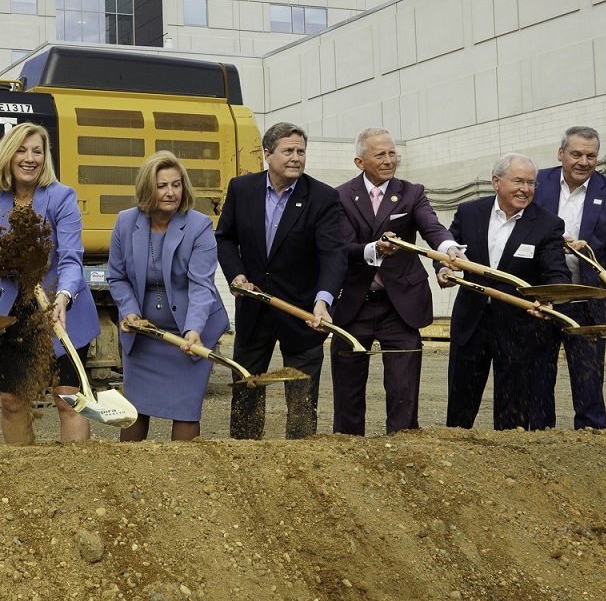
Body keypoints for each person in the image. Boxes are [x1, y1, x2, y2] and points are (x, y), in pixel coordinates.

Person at [215, 122, 345, 439]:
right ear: (267, 154)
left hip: (301, 313)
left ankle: (299, 464)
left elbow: (333, 254)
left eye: (301, 151)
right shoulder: (241, 189)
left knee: (301, 401)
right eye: (288, 151)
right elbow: (225, 239)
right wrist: (237, 275)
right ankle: (245, 460)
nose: (296, 157)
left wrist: (323, 301)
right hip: (254, 309)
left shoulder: (323, 197)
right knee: (246, 391)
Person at [0, 122, 99, 445]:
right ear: (8, 155)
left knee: (67, 398)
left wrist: (63, 297)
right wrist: (5, 260)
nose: (30, 158)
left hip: (59, 308)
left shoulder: (61, 197)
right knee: (12, 402)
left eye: (37, 151)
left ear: (46, 158)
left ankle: (75, 475)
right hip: (15, 313)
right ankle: (25, 477)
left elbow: (72, 257)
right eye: (21, 150)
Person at [330, 127, 456, 435]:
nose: (389, 160)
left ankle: (402, 449)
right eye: (380, 154)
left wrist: (448, 250)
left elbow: (432, 227)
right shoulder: (340, 196)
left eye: (392, 153)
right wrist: (375, 249)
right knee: (348, 392)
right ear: (360, 162)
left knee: (403, 391)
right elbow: (341, 246)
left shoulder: (412, 192)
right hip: (354, 306)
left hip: (400, 307)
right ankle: (347, 450)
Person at [441, 154, 571, 431]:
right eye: (518, 181)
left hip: (518, 329)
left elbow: (556, 271)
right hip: (471, 324)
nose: (525, 189)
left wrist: (549, 297)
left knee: (513, 413)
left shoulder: (548, 224)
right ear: (496, 182)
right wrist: (444, 271)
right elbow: (448, 253)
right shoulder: (468, 212)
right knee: (460, 406)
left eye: (531, 183)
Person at [109, 152, 229, 443]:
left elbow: (201, 285)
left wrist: (194, 329)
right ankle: (129, 476)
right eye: (162, 185)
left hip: (189, 334)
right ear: (149, 189)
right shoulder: (126, 222)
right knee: (135, 408)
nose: (171, 192)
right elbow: (117, 276)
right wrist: (130, 312)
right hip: (145, 333)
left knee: (186, 408)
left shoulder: (199, 226)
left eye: (176, 185)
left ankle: (182, 478)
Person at [532, 126, 606, 430]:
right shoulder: (536, 183)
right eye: (576, 154)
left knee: (588, 384)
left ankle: (593, 446)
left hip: (588, 301)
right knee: (537, 382)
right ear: (561, 154)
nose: (583, 161)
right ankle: (538, 442)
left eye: (591, 155)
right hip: (542, 299)